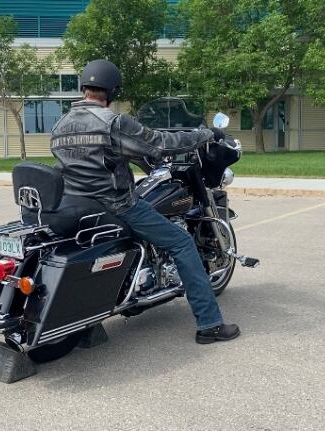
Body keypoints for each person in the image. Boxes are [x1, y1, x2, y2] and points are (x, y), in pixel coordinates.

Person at [50, 59, 240, 344]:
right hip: (116, 205)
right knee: (181, 243)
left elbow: (93, 161)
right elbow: (160, 143)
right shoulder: (112, 122)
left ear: (84, 87)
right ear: (112, 90)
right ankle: (210, 324)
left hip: (76, 205)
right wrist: (205, 135)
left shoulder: (61, 124)